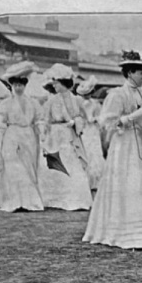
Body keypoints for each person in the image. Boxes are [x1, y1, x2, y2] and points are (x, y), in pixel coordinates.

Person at [83, 53, 142, 250]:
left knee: (139, 182)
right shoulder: (118, 94)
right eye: (140, 72)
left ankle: (141, 234)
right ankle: (120, 231)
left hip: (141, 142)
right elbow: (107, 122)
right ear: (129, 73)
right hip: (125, 142)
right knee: (126, 181)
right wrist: (133, 116)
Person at [0, 62, 45, 213]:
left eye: (21, 85)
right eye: (15, 85)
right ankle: (14, 200)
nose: (18, 88)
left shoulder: (32, 103)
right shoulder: (6, 104)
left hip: (28, 136)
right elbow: (1, 125)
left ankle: (28, 201)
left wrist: (41, 133)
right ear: (11, 86)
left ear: (25, 86)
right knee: (13, 167)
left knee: (28, 167)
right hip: (11, 136)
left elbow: (39, 119)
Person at [38, 66, 93, 211]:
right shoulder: (51, 101)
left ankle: (74, 197)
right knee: (55, 162)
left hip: (69, 134)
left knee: (72, 162)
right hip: (55, 135)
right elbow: (45, 119)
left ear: (63, 82)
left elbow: (83, 118)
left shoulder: (77, 100)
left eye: (56, 82)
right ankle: (54, 198)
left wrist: (75, 123)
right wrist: (43, 134)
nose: (54, 85)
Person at [76, 79, 105, 190]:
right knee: (85, 150)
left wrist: (95, 119)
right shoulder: (79, 103)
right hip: (84, 128)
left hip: (92, 129)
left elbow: (101, 116)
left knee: (94, 151)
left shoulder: (95, 104)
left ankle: (95, 180)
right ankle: (85, 180)